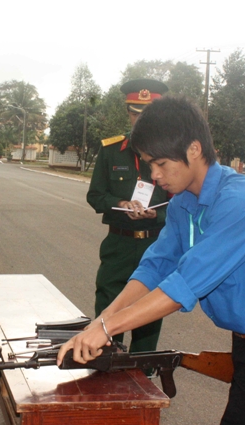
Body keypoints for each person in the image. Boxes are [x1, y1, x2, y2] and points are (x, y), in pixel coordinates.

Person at [58, 97, 245, 425]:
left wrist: (107, 328)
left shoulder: (240, 202)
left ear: (194, 149)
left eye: (161, 163)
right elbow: (155, 267)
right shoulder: (182, 203)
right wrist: (103, 319)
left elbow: (183, 285)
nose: (154, 174)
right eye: (149, 164)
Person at [86, 78, 169, 354]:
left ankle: (144, 375)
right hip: (118, 244)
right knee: (108, 306)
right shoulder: (111, 150)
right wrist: (121, 203)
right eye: (135, 113)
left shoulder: (171, 155)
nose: (140, 120)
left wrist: (154, 215)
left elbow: (181, 201)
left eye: (147, 115)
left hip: (154, 245)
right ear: (128, 113)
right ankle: (108, 368)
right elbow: (95, 195)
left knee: (148, 315)